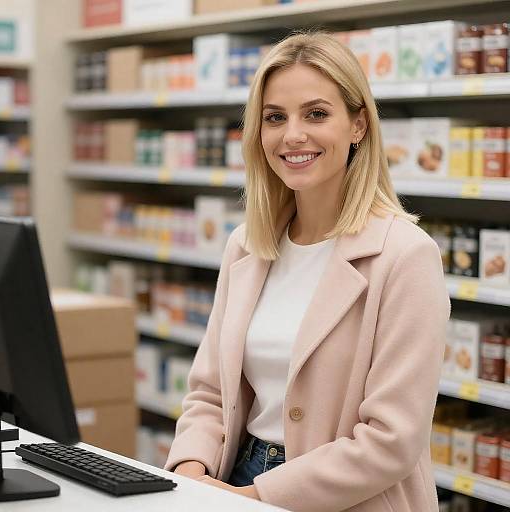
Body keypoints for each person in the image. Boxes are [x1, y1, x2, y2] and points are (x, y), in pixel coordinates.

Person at [165, 31, 450, 512]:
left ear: (358, 124)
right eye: (275, 117)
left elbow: (391, 439)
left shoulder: (405, 256)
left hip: (349, 498)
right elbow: (210, 393)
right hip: (235, 476)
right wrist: (193, 476)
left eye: (316, 114)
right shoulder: (246, 247)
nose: (292, 134)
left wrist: (255, 497)